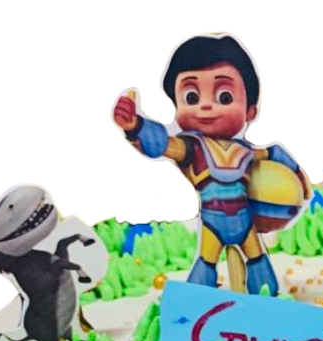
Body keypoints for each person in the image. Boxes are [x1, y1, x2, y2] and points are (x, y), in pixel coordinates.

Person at [113, 34, 309, 296]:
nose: (206, 105)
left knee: (258, 262)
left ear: (250, 110)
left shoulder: (244, 151)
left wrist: (298, 177)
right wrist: (136, 126)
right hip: (212, 224)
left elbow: (273, 154)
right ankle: (198, 303)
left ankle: (267, 301)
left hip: (245, 221)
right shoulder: (192, 148)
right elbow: (161, 144)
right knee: (206, 263)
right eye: (191, 97)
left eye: (224, 97)